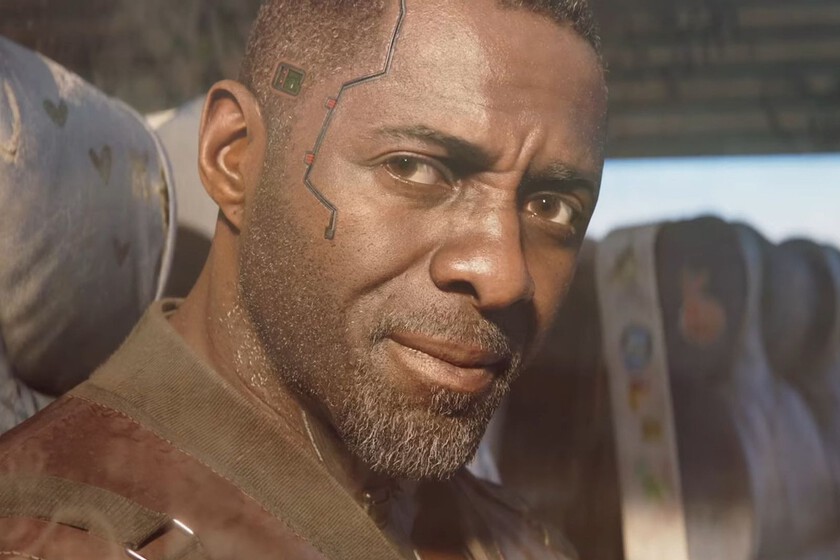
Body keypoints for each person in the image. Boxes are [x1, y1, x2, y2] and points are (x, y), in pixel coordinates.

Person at [0, 0, 608, 558]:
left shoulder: (512, 534)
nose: (504, 276)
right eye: (413, 168)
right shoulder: (54, 539)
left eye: (552, 206)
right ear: (235, 158)